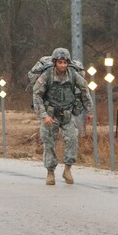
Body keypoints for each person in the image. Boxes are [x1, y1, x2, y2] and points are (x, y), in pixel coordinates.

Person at [32, 47, 93, 185]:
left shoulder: (73, 74)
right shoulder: (46, 75)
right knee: (49, 143)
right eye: (60, 62)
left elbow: (85, 90)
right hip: (50, 115)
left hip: (67, 114)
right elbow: (37, 95)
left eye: (65, 62)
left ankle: (67, 169)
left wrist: (89, 111)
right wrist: (43, 115)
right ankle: (50, 172)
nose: (63, 65)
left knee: (72, 139)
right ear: (55, 63)